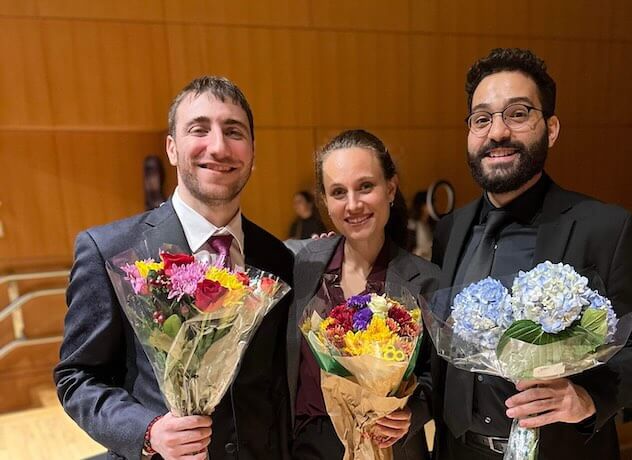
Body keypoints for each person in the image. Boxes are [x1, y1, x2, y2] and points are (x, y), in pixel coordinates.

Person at [431, 48, 632, 459]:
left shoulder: (605, 227)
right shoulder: (450, 230)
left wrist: (588, 398)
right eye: (482, 119)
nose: (497, 132)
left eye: (518, 114)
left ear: (551, 128)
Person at [54, 76, 294, 460]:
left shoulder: (278, 258)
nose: (218, 146)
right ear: (171, 148)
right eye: (199, 129)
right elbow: (77, 378)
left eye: (234, 132)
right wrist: (148, 432)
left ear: (252, 152)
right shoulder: (110, 251)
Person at [286, 129, 439, 459]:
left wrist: (413, 413)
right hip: (309, 449)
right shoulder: (301, 267)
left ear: (391, 189)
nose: (353, 204)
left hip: (391, 448)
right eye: (338, 192)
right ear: (325, 202)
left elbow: (438, 378)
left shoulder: (426, 280)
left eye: (365, 186)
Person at [407, 190, 434, 261]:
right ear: (422, 206)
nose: (434, 206)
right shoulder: (411, 225)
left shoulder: (430, 225)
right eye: (432, 203)